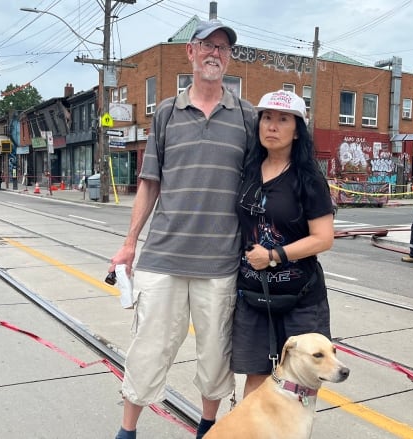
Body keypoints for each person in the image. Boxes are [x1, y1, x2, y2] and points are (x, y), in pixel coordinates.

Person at [108, 20, 256, 439]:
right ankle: (128, 432)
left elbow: (259, 183)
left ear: (229, 59)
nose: (215, 53)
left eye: (223, 48)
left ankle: (207, 429)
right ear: (190, 53)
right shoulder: (167, 114)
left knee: (215, 356)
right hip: (163, 258)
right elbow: (149, 182)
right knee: (148, 349)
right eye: (207, 45)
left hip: (221, 263)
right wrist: (129, 244)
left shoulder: (246, 117)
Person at [232, 90, 334, 397]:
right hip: (253, 295)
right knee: (256, 379)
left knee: (300, 386)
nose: (272, 126)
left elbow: (323, 238)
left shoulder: (308, 178)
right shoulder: (249, 170)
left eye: (282, 119)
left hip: (300, 299)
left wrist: (275, 255)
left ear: (297, 130)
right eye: (266, 118)